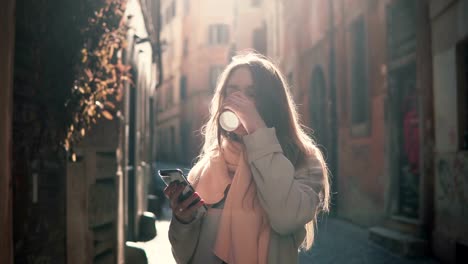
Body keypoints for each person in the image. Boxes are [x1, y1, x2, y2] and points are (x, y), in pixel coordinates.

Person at [164, 53, 330, 264]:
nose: (238, 100)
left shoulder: (304, 159)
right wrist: (183, 221)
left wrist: (257, 129)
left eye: (251, 93)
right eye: (232, 91)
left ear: (271, 102)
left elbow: (285, 219)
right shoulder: (208, 165)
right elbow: (183, 256)